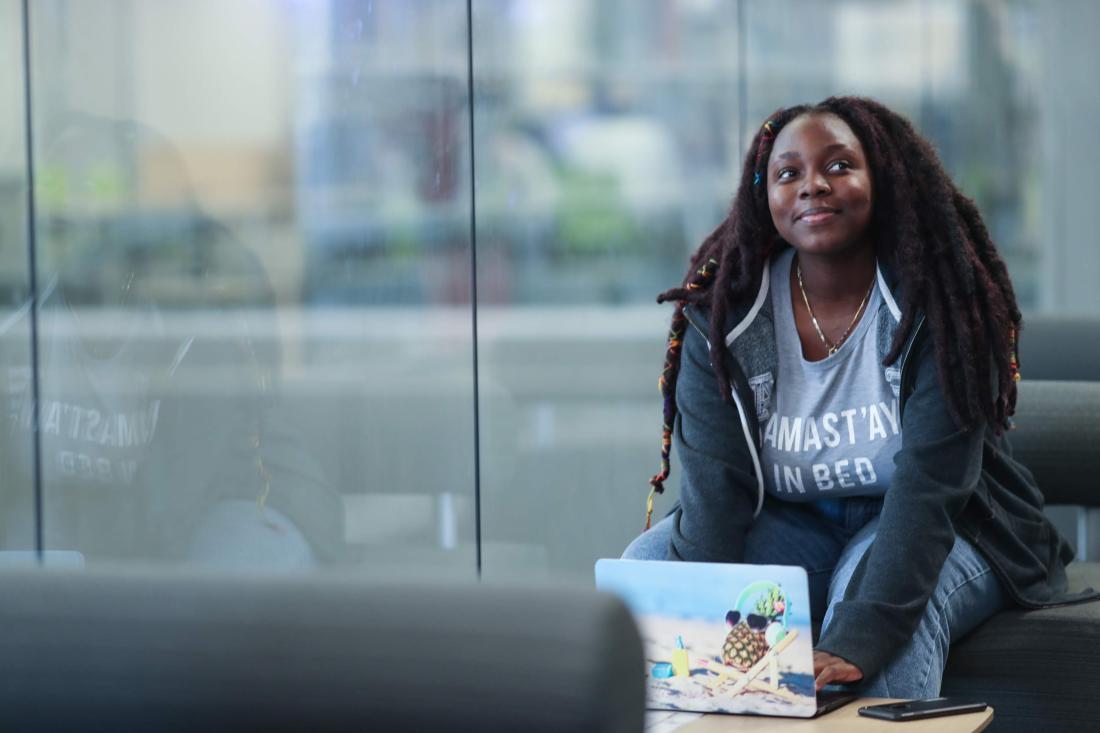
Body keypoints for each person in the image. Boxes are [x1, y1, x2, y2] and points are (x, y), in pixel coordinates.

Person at [622, 96, 1096, 698]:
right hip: (792, 523)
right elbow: (716, 492)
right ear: (762, 196)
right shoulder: (723, 321)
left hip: (940, 525)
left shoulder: (941, 309)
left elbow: (927, 494)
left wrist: (860, 636)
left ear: (884, 180)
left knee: (880, 605)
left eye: (840, 166)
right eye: (787, 173)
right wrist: (699, 618)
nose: (812, 185)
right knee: (651, 565)